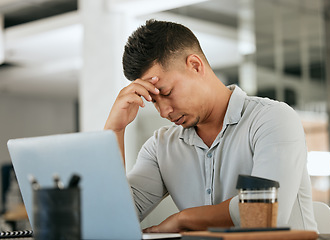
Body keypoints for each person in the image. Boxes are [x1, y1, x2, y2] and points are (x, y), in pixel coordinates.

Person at [104, 19, 317, 233]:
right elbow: (112, 220)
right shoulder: (160, 148)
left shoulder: (272, 119)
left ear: (195, 66)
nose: (163, 111)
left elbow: (264, 215)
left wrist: (183, 219)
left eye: (166, 93)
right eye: (154, 100)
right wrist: (115, 131)